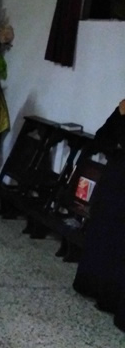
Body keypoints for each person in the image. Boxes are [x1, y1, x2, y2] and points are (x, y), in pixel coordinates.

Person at [73, 98, 125, 330]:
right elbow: (102, 137)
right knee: (103, 232)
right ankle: (94, 286)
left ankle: (111, 296)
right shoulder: (123, 108)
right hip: (115, 178)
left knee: (118, 240)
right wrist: (116, 146)